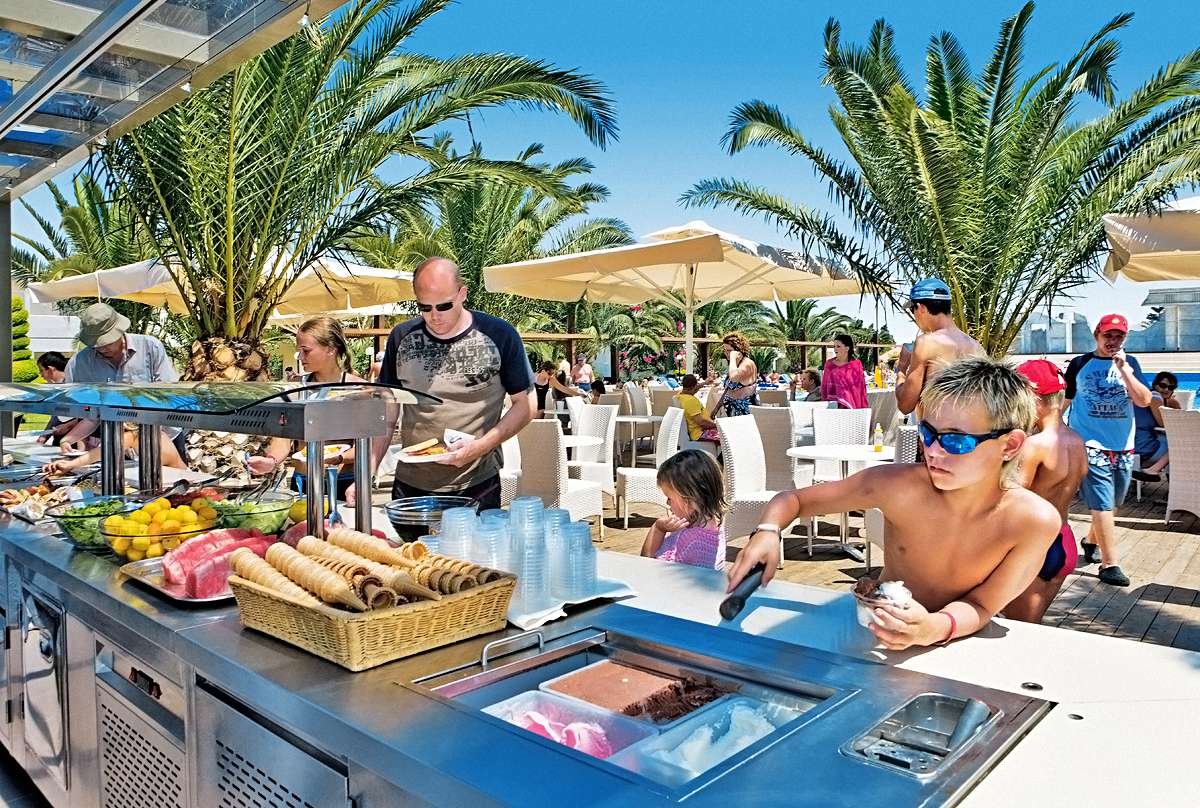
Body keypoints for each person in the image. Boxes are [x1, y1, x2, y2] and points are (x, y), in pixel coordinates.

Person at [728, 357, 1060, 650]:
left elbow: (983, 605)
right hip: (877, 633)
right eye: (928, 433)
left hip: (960, 642)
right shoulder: (896, 486)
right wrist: (767, 530)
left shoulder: (1031, 521)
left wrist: (932, 628)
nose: (933, 451)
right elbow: (794, 499)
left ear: (1009, 445)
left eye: (956, 440)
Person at [349, 257, 535, 510]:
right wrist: (368, 472)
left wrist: (479, 448)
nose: (434, 316)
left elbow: (526, 404)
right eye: (424, 307)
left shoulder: (499, 334)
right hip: (410, 485)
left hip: (476, 483)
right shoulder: (401, 337)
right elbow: (388, 408)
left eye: (444, 306)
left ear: (462, 294)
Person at [1064, 314, 1152, 587]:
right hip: (1089, 443)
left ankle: (1091, 541)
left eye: (1118, 336)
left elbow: (1144, 400)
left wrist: (1125, 370)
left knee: (1113, 502)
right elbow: (1066, 400)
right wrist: (1051, 428)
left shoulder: (1131, 363)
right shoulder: (1080, 364)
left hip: (1122, 445)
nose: (1113, 340)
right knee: (1102, 502)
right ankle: (1109, 564)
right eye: (1108, 335)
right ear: (1097, 336)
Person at [1005, 360, 1088, 622]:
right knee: (1034, 626)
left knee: (1021, 631)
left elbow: (1013, 498)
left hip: (1036, 545)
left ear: (1032, 399)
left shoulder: (1034, 445)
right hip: (1064, 540)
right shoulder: (1077, 441)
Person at [246, 317, 367, 497]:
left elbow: (368, 445)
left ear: (331, 349)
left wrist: (338, 458)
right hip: (303, 481)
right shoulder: (295, 389)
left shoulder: (359, 389)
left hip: (345, 483)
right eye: (299, 351)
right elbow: (282, 437)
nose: (301, 357)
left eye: (306, 351)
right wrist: (271, 461)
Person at [59, 303, 181, 459]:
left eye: (107, 343)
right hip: (118, 443)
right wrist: (68, 439)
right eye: (96, 345)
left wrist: (140, 436)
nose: (102, 349)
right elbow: (93, 413)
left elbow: (167, 396)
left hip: (165, 437)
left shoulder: (150, 347)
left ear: (120, 331)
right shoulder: (81, 362)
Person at [894, 278, 985, 416]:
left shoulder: (926, 343)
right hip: (971, 429)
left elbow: (905, 406)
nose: (914, 316)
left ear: (921, 307)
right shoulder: (975, 346)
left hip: (937, 429)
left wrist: (901, 369)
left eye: (913, 310)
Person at [640, 450, 726, 570]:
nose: (667, 503)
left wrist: (658, 528)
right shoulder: (700, 526)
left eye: (669, 498)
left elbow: (646, 564)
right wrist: (660, 527)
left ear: (688, 501)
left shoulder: (695, 544)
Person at [1132, 371, 1180, 482]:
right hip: (1144, 448)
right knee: (1182, 443)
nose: (1167, 389)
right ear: (1155, 385)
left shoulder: (1147, 396)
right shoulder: (1154, 396)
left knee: (1176, 441)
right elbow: (1163, 423)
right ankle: (1154, 470)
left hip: (1132, 446)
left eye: (1171, 387)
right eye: (1163, 385)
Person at [33, 352, 78, 446]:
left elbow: (90, 416)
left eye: (41, 370)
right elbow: (56, 416)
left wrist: (68, 425)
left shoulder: (74, 386)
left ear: (50, 369)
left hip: (77, 440)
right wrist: (43, 436)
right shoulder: (56, 388)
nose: (41, 375)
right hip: (60, 438)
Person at [708, 332, 757, 417]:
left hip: (744, 413)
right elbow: (727, 390)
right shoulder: (735, 365)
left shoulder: (747, 364)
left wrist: (733, 358)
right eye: (725, 350)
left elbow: (734, 378)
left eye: (729, 351)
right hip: (732, 411)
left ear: (739, 351)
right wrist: (716, 408)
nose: (726, 353)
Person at [821, 333, 868, 409]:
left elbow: (861, 388)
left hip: (853, 404)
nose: (835, 349)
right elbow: (824, 386)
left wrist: (863, 407)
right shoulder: (829, 364)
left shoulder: (856, 364)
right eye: (834, 346)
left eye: (838, 346)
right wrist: (824, 403)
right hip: (833, 405)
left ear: (847, 348)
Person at [677, 374, 720, 445]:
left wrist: (705, 383)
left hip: (697, 431)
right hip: (700, 433)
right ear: (693, 387)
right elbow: (701, 422)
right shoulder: (691, 400)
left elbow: (693, 388)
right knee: (727, 436)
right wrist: (717, 425)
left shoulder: (680, 395)